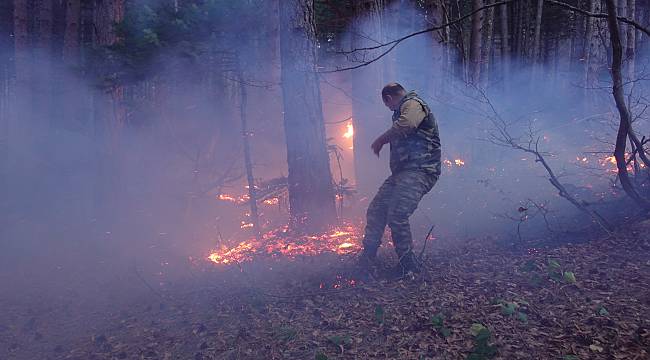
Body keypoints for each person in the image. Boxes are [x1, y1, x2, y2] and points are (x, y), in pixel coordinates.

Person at [358, 82, 441, 275]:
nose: (389, 108)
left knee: (397, 215)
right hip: (402, 174)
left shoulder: (412, 103)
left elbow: (407, 124)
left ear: (389, 98)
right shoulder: (405, 106)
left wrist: (380, 140)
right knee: (376, 210)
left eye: (388, 105)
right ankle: (367, 259)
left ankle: (407, 265)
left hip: (420, 171)